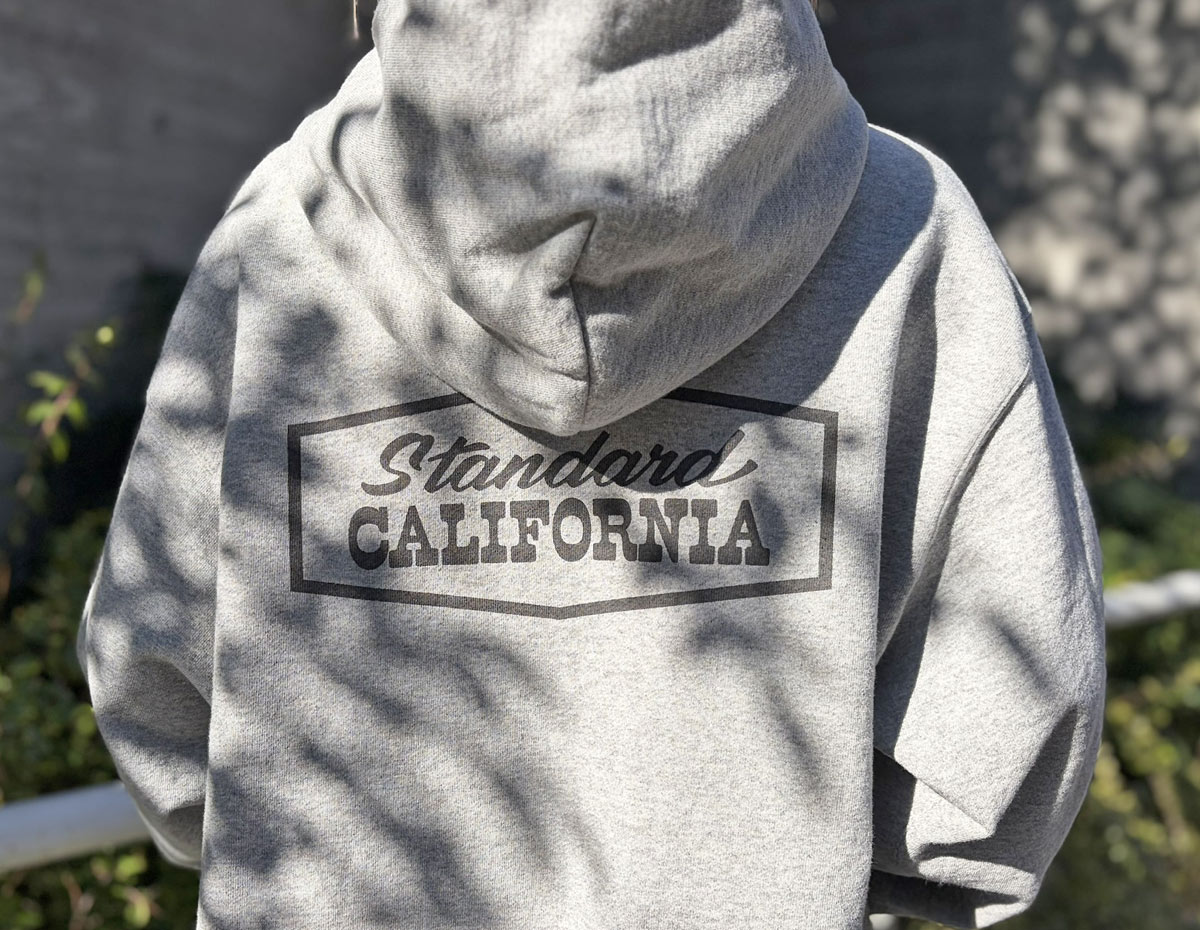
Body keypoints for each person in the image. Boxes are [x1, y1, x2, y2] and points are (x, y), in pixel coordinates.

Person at [77, 1, 1106, 928]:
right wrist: (787, 865)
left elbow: (152, 672)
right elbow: (1005, 709)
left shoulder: (283, 228)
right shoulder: (909, 227)